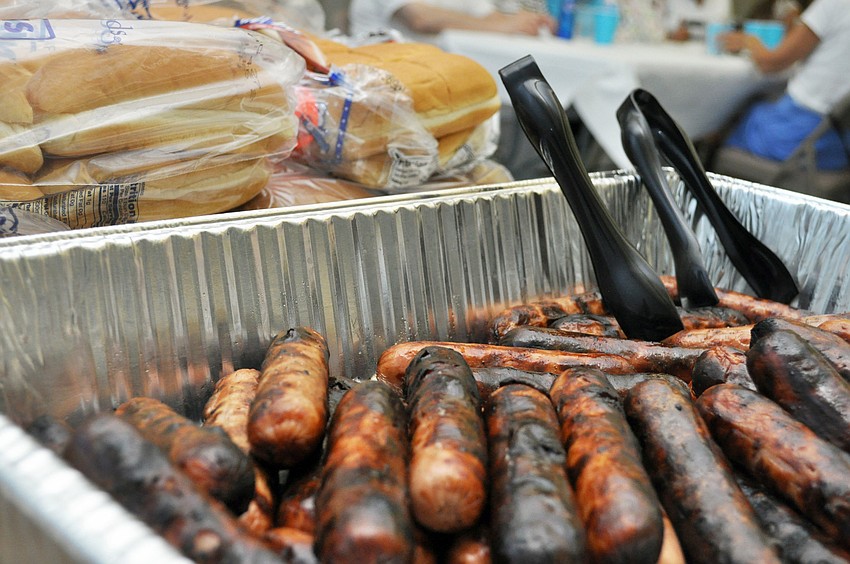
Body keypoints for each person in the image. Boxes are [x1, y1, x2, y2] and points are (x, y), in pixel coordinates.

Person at [717, 0, 850, 171]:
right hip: (837, 147)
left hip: (799, 139)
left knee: (726, 122)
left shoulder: (833, 4)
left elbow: (770, 63)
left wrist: (748, 41)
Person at [348, 0, 555, 43]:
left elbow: (489, 15)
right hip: (382, 78)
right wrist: (503, 26)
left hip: (443, 76)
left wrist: (525, 22)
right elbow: (421, 19)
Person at [665, 0, 732, 41]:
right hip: (679, 56)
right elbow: (662, 33)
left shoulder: (723, 3)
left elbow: (731, 33)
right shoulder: (672, 2)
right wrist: (672, 36)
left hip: (714, 59)